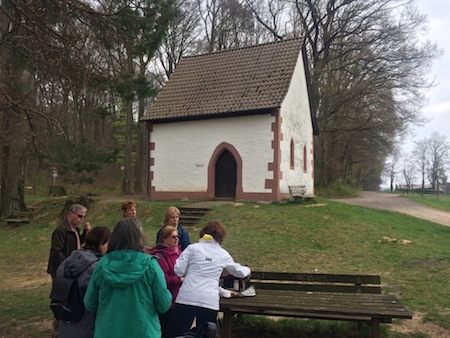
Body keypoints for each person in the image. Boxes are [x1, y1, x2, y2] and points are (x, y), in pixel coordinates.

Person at [84, 218, 172, 338]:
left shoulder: (102, 265)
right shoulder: (151, 266)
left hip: (108, 332)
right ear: (139, 238)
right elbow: (163, 304)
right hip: (143, 332)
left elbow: (89, 303)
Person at [170, 220, 251, 336]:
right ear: (221, 237)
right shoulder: (223, 254)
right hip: (208, 301)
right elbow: (239, 272)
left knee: (176, 333)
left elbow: (178, 270)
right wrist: (248, 269)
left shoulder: (192, 248)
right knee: (205, 334)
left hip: (187, 297)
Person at [57, 226, 111, 338]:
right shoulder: (96, 268)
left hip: (66, 320)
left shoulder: (68, 261)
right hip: (87, 324)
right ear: (101, 243)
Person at [150, 226, 182, 338]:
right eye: (173, 236)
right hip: (168, 301)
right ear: (164, 239)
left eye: (177, 236)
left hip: (179, 299)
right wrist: (179, 279)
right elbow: (163, 279)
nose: (176, 239)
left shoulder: (180, 253)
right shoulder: (160, 256)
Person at [48, 204, 92, 280]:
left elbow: (78, 242)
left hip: (71, 267)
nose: (82, 219)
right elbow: (56, 251)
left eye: (84, 217)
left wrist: (85, 232)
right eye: (80, 216)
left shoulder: (75, 229)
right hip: (61, 269)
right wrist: (67, 265)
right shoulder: (61, 230)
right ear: (71, 214)